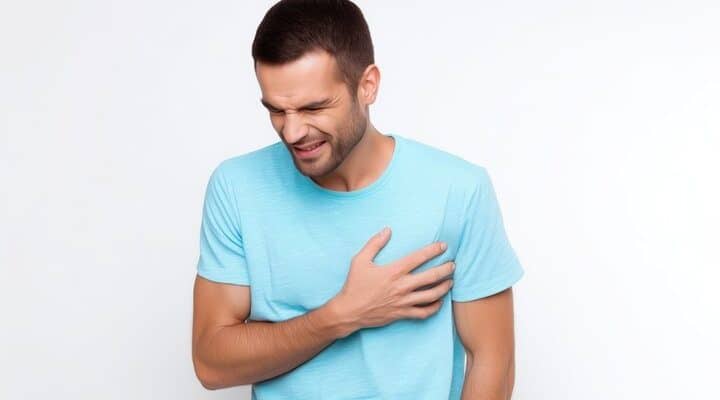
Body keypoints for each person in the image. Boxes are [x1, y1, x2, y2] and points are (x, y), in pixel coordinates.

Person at [191, 1, 525, 398]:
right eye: (277, 110)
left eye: (314, 107)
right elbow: (211, 364)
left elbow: (493, 358)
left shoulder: (458, 189)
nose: (292, 132)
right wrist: (340, 316)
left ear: (367, 85)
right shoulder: (237, 187)